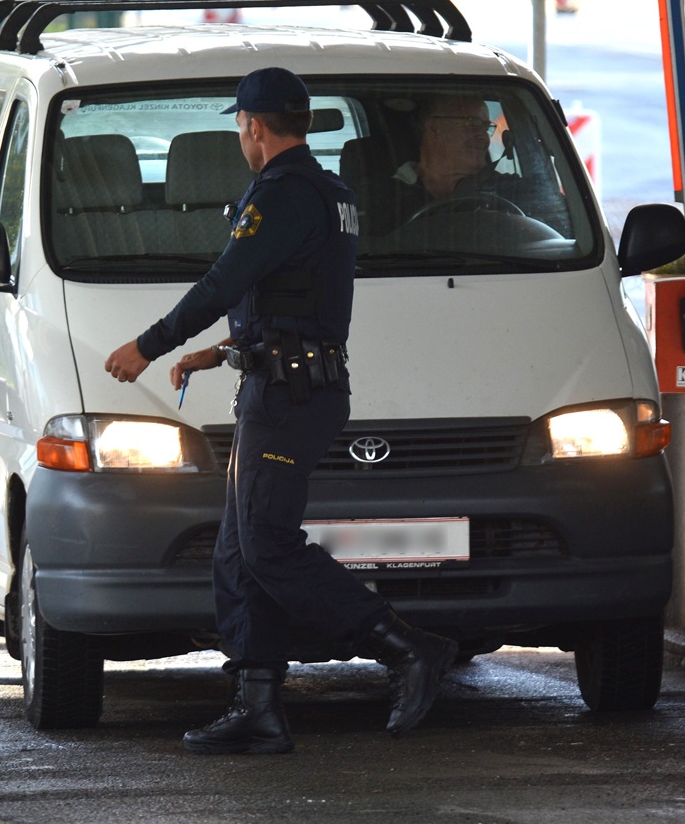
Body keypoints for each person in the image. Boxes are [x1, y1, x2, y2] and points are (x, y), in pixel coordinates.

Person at [104, 67, 458, 753]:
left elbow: (224, 282)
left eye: (241, 125)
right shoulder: (327, 191)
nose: (241, 135)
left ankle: (406, 647)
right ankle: (258, 708)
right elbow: (296, 301)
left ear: (253, 125)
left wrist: (148, 346)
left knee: (266, 545)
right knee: (238, 554)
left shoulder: (283, 194)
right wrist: (218, 353)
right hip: (288, 383)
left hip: (289, 397)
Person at [388, 94, 520, 227]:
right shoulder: (387, 196)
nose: (484, 137)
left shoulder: (503, 187)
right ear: (434, 128)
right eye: (473, 124)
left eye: (486, 128)